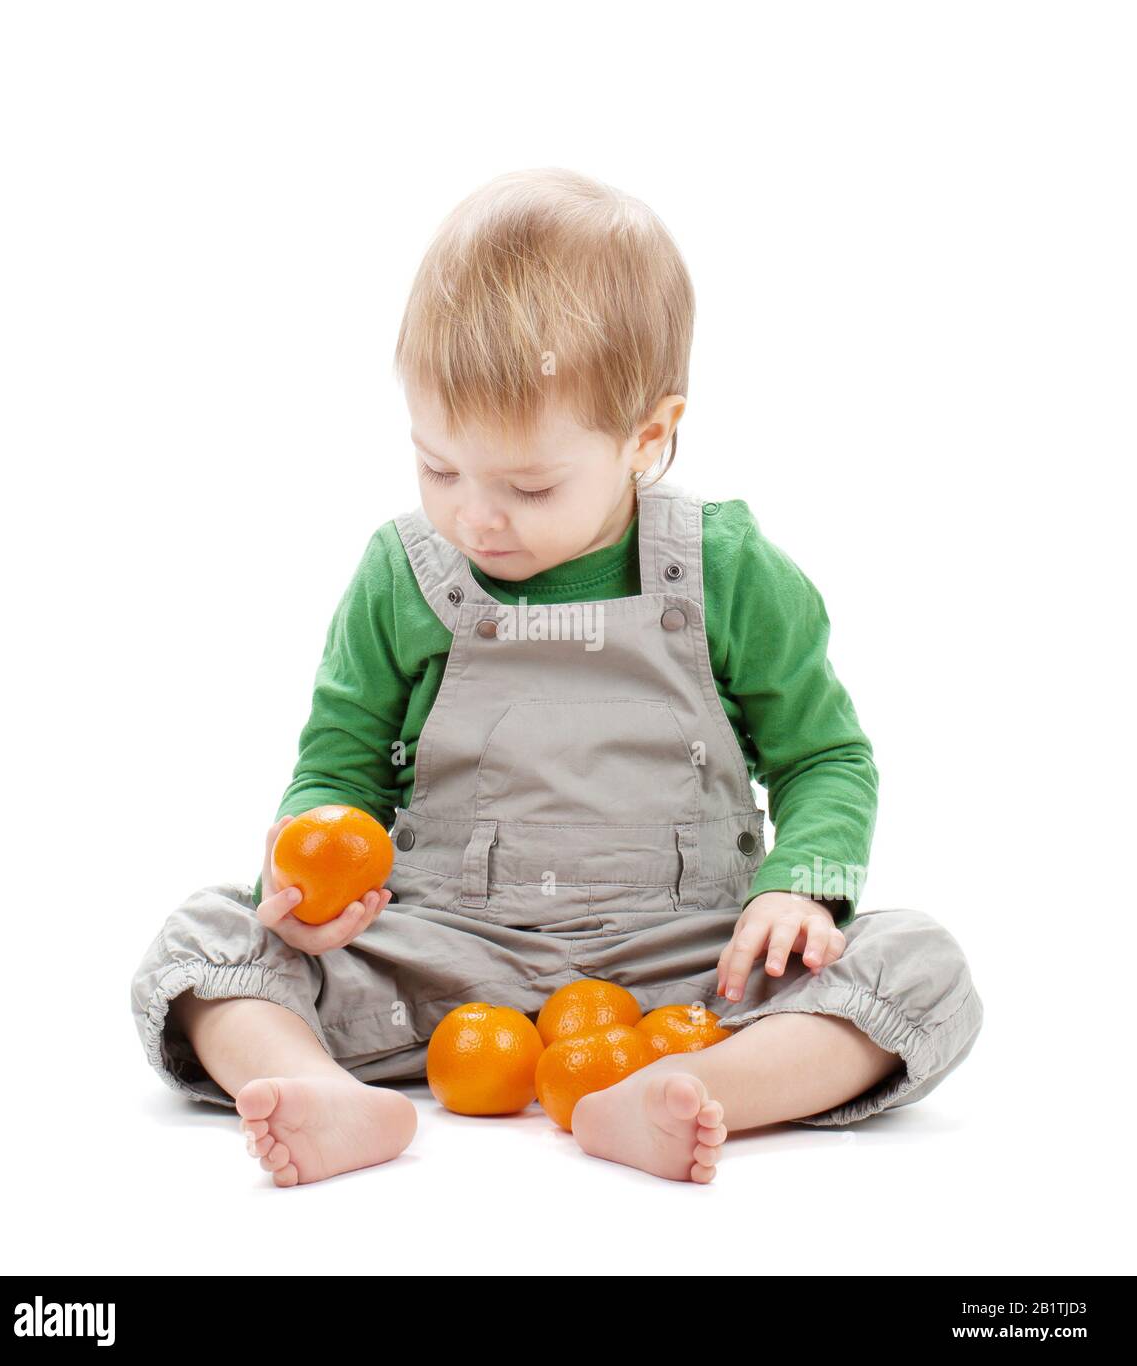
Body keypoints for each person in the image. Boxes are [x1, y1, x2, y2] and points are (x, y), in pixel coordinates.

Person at [130, 167, 983, 1187]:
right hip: (443, 956)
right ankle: (320, 1090)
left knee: (920, 966)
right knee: (207, 934)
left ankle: (695, 1092)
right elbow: (340, 766)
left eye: (527, 485)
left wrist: (801, 888)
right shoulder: (403, 575)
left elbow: (828, 756)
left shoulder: (729, 572)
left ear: (646, 437)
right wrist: (304, 873)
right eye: (437, 467)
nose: (474, 518)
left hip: (688, 967)